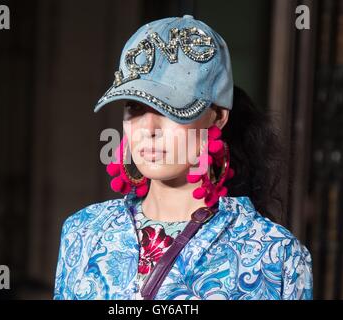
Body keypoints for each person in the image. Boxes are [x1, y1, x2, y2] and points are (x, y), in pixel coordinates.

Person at [54, 15, 312, 300]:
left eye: (170, 109)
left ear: (218, 117)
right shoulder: (84, 231)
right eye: (135, 108)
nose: (149, 130)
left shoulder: (274, 253)